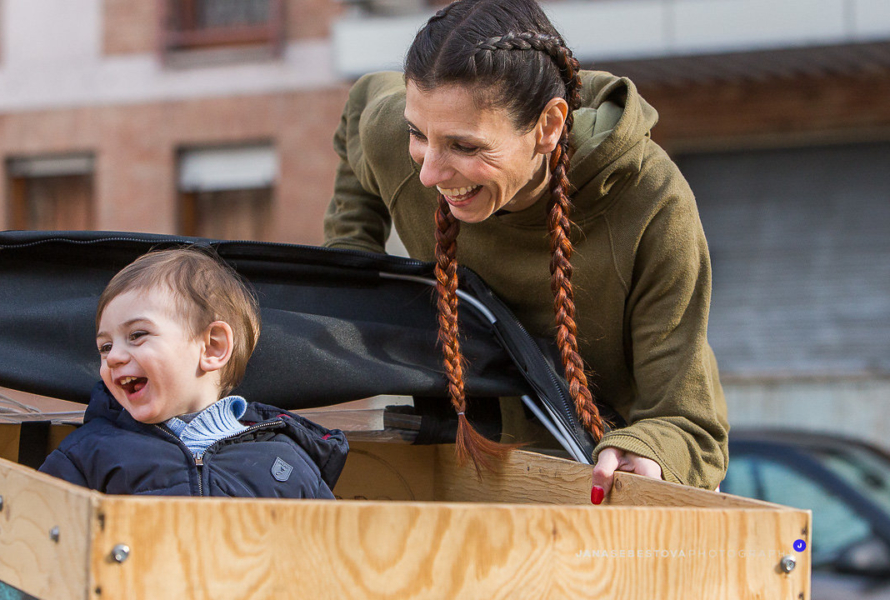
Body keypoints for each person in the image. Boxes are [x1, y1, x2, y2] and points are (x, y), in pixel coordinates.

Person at [323, 0, 728, 502]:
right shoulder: (402, 144)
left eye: (465, 147)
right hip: (453, 476)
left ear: (548, 127)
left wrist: (651, 450)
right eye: (417, 134)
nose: (429, 173)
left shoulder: (651, 202)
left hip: (582, 494)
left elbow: (693, 426)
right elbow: (360, 108)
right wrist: (351, 258)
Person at [39, 248, 349, 498]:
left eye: (137, 335)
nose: (115, 357)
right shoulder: (87, 455)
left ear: (212, 347)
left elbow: (331, 563)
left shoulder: (286, 460)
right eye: (105, 347)